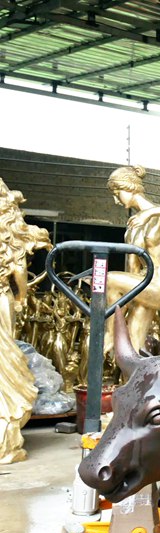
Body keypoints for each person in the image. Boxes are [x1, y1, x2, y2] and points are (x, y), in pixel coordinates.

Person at [105, 165, 160, 355]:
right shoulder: (132, 227)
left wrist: (149, 213)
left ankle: (109, 333)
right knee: (132, 344)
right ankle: (128, 367)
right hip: (143, 286)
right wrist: (125, 307)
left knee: (108, 278)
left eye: (117, 194)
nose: (116, 200)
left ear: (129, 188)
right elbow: (132, 270)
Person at [0, 179, 51, 463]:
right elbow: (19, 271)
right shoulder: (9, 233)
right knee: (5, 362)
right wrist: (21, 297)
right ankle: (5, 434)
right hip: (1, 299)